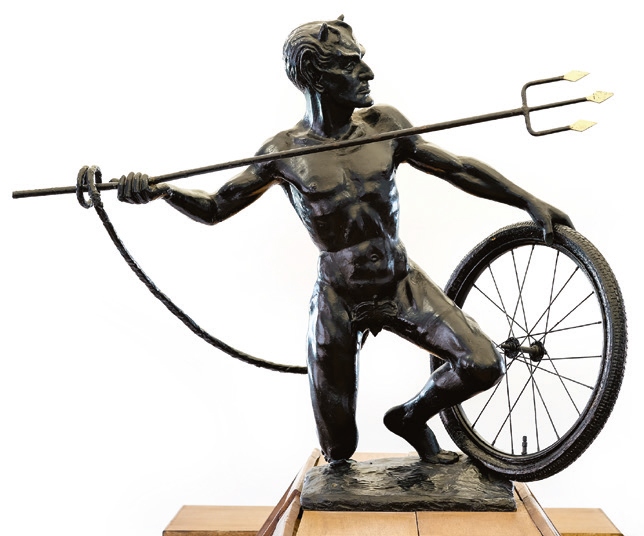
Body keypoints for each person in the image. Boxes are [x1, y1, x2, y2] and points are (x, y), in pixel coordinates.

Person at [116, 16, 573, 466]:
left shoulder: (385, 125)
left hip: (399, 282)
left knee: (483, 364)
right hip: (338, 297)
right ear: (317, 76)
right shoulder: (284, 152)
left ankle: (410, 418)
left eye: (361, 60)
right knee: (338, 450)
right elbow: (216, 206)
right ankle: (348, 433)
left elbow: (457, 167)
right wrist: (161, 191)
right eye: (350, 64)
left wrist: (527, 200)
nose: (367, 73)